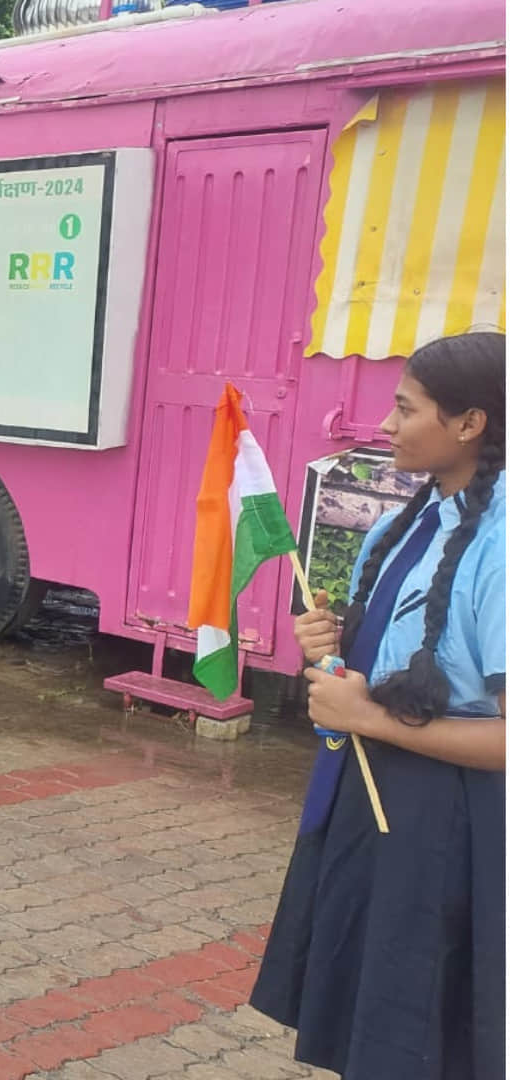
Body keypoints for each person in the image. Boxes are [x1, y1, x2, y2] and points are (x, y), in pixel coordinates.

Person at [251, 332, 505, 1080]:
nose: (386, 425)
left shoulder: (501, 542)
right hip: (367, 799)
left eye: (405, 408)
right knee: (365, 1014)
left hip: (445, 824)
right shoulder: (415, 517)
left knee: (417, 1029)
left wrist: (366, 717)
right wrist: (325, 649)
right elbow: (376, 672)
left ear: (469, 424)